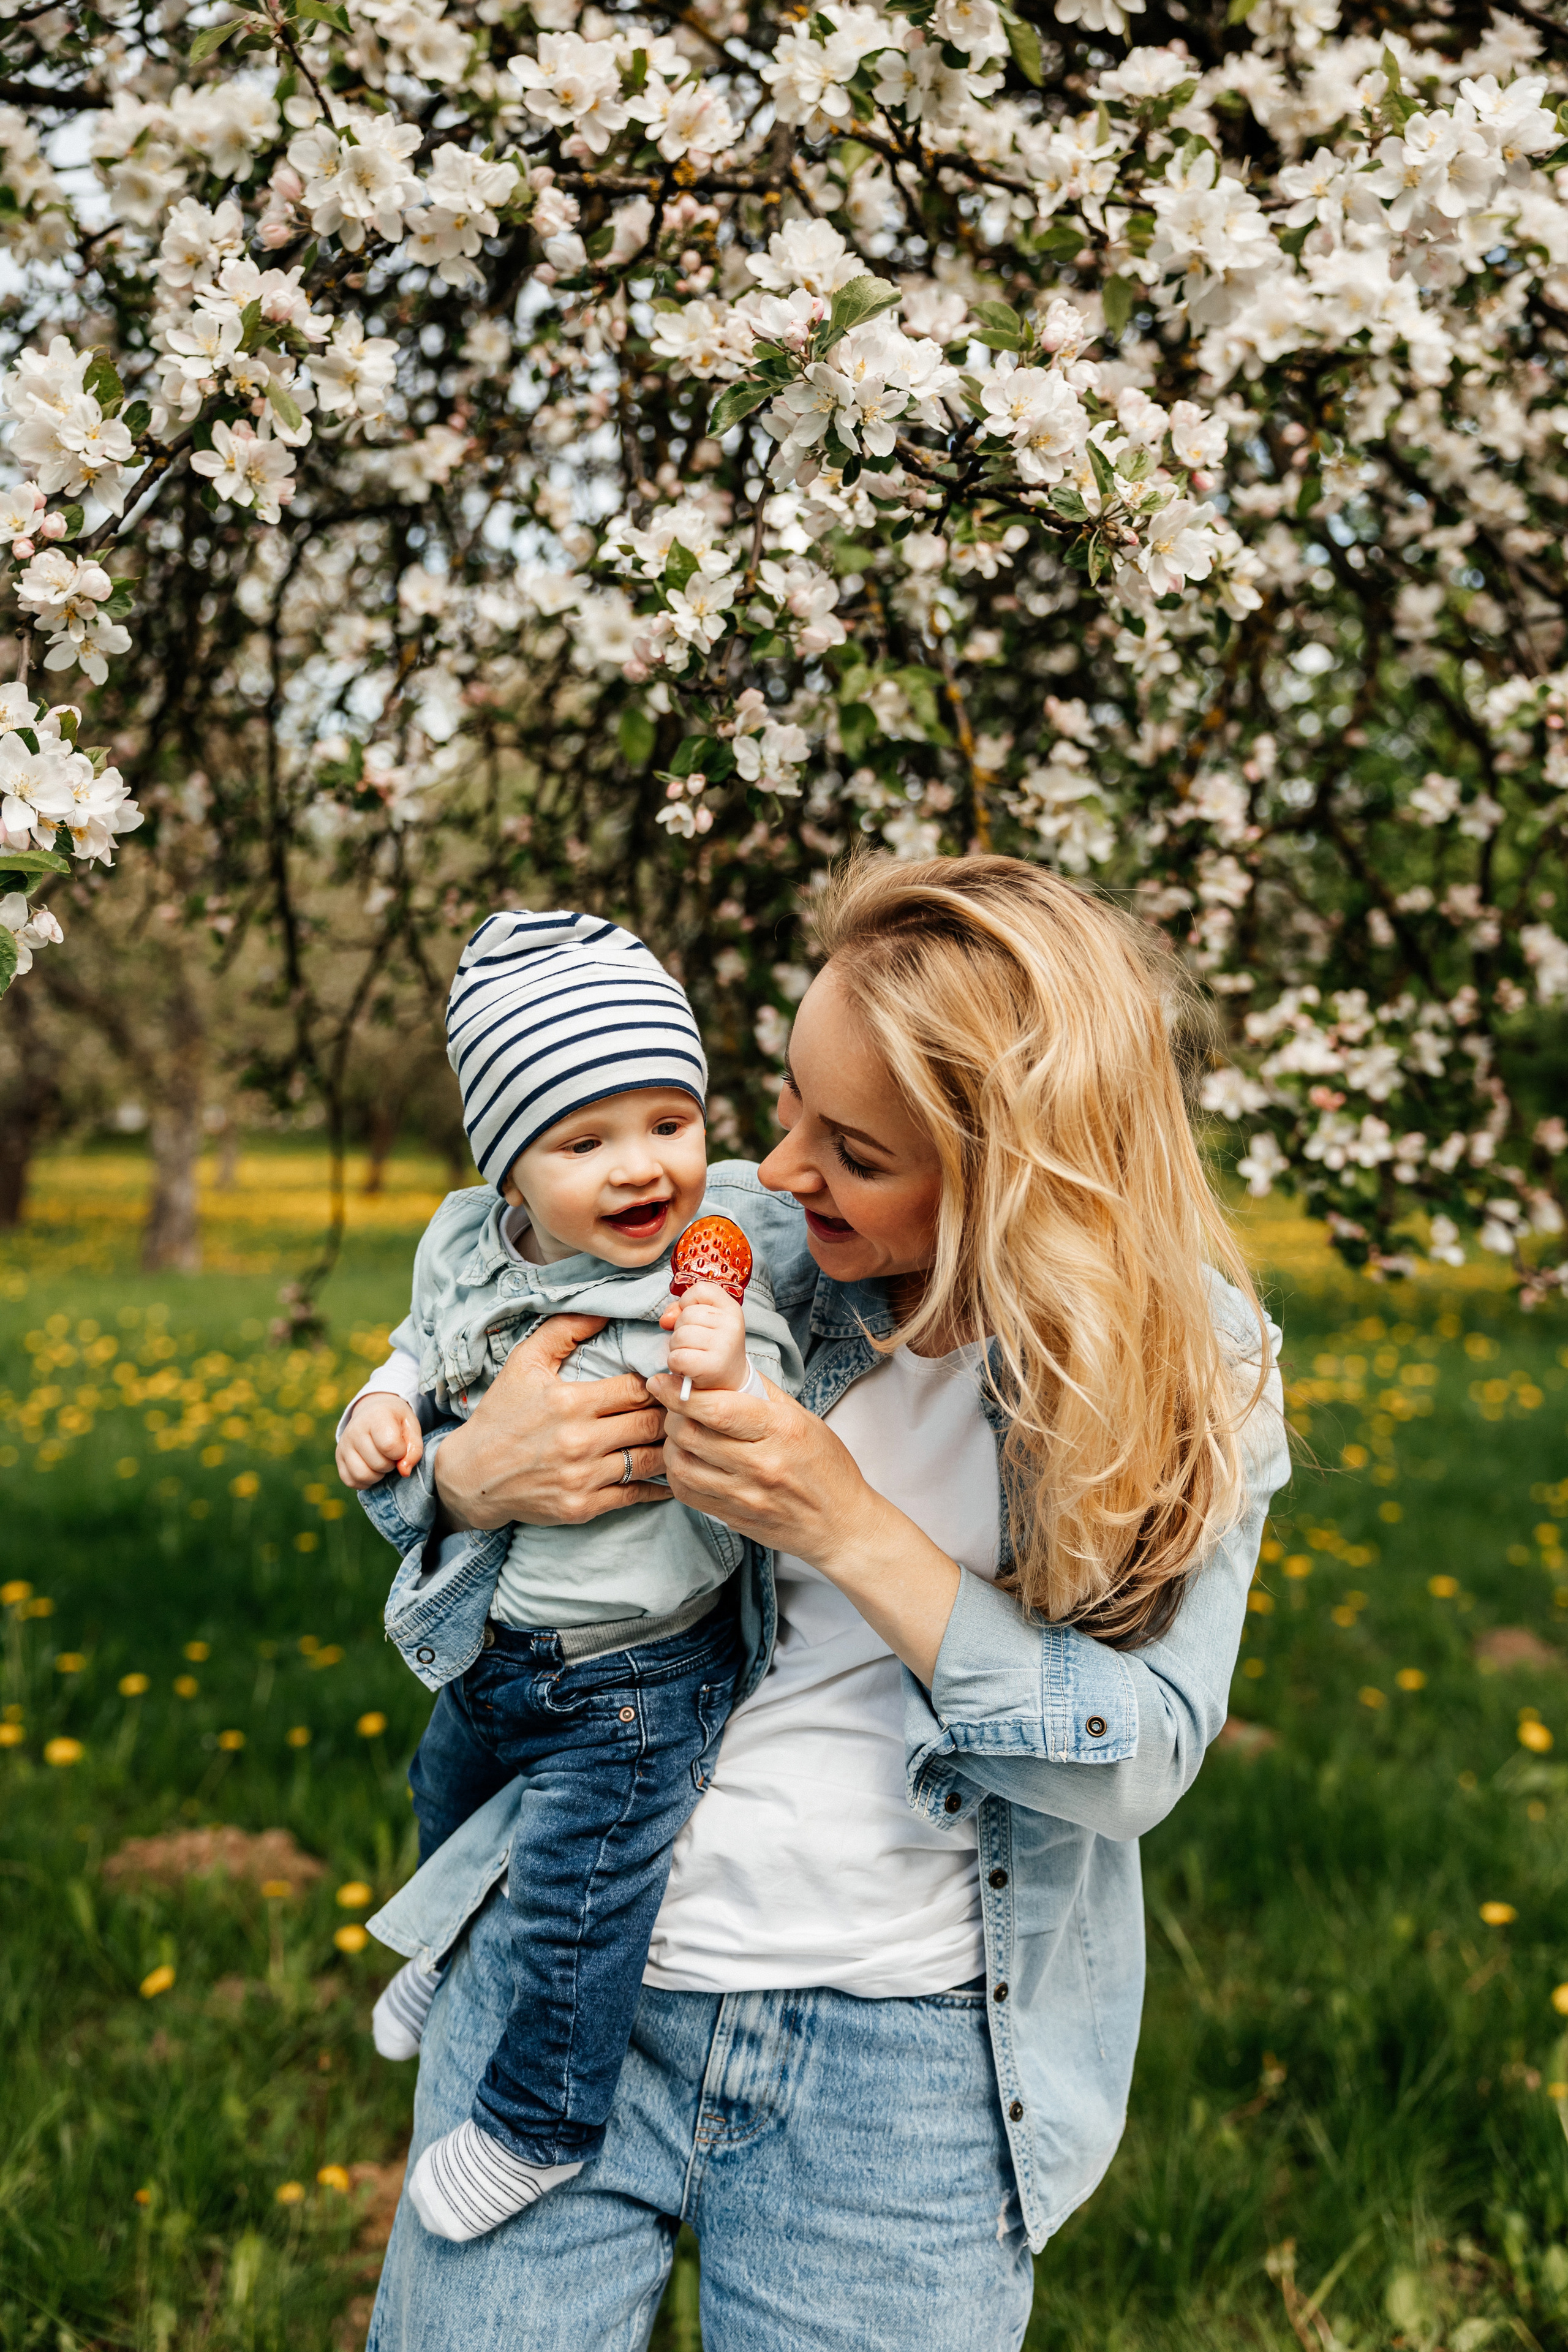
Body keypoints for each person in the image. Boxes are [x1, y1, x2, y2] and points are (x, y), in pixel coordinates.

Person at [364, 854, 1291, 2352]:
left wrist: (845, 1524)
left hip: (900, 2078)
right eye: (783, 1098)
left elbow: (1137, 1756)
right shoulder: (733, 1243)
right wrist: (466, 1481)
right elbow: (459, 1370)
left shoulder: (1189, 1373)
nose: (777, 1167)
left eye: (852, 1149)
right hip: (570, 1958)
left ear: (1012, 1177)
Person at [336, 908, 801, 2242]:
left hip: (637, 1673)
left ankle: (541, 2123)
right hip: (494, 1643)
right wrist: (384, 1409)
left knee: (579, 1906)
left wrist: (715, 1361)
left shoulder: (695, 1277)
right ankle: (440, 1940)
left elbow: (756, 1369)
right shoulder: (465, 1247)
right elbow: (420, 1345)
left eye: (669, 1121)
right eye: (583, 1142)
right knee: (444, 1787)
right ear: (508, 1175)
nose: (642, 1167)